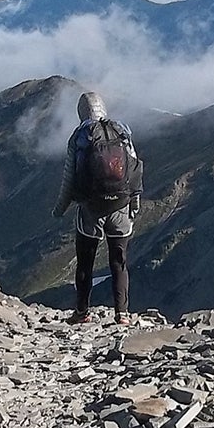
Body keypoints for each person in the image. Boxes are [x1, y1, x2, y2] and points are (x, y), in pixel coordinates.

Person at [52, 90, 142, 324]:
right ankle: (122, 314)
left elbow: (68, 179)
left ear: (81, 112)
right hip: (121, 206)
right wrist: (134, 203)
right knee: (119, 262)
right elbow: (134, 169)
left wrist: (60, 209)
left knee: (85, 261)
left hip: (91, 210)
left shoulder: (80, 136)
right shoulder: (122, 131)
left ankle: (82, 312)